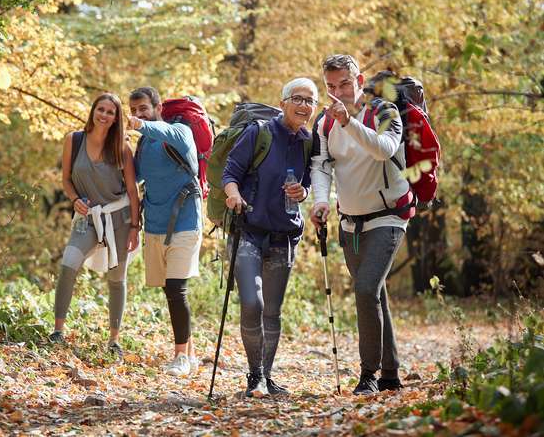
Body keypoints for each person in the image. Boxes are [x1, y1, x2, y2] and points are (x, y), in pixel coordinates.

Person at [310, 54, 410, 395]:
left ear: (360, 80)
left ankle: (368, 375)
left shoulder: (384, 112)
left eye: (345, 84)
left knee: (366, 289)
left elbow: (384, 149)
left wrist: (349, 122)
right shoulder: (324, 124)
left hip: (388, 217)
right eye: (331, 86)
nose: (339, 92)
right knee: (375, 294)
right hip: (349, 223)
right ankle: (391, 375)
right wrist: (321, 201)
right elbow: (321, 166)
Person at [222, 77, 317, 397]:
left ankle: (265, 377)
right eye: (298, 99)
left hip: (284, 236)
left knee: (272, 311)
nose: (304, 105)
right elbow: (230, 173)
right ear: (284, 102)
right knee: (252, 302)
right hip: (248, 230)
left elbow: (310, 184)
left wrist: (302, 192)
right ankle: (254, 375)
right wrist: (233, 195)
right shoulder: (259, 133)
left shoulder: (308, 141)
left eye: (310, 101)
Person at [50, 93, 141, 356]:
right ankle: (58, 331)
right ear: (93, 111)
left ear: (116, 118)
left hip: (119, 219)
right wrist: (74, 199)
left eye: (110, 112)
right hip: (88, 218)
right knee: (68, 264)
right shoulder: (74, 140)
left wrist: (135, 227)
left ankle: (114, 340)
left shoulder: (122, 148)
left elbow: (133, 192)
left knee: (116, 279)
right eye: (100, 109)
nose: (104, 115)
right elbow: (66, 179)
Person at [127, 87, 202, 377]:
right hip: (155, 223)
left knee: (175, 288)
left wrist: (141, 125)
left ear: (158, 107)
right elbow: (135, 176)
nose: (138, 115)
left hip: (185, 220)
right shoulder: (144, 145)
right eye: (133, 111)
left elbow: (166, 134)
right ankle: (192, 354)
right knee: (169, 290)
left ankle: (180, 357)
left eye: (143, 108)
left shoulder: (180, 131)